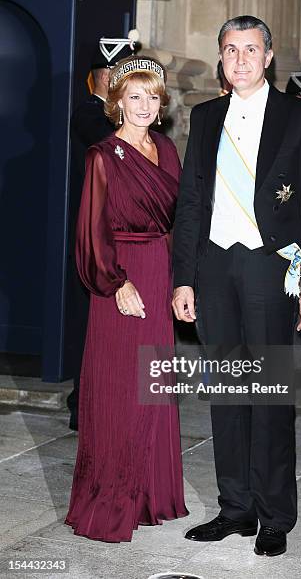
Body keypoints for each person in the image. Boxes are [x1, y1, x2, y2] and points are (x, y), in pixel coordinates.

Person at [172, 16, 301, 557]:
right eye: (230, 50)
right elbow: (191, 203)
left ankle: (273, 515)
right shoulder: (205, 116)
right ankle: (235, 509)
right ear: (220, 58)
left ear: (268, 57)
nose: (240, 59)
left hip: (271, 270)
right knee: (227, 395)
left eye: (251, 49)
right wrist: (183, 278)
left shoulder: (299, 118)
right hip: (215, 269)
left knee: (268, 396)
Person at [65, 55, 188, 542]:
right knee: (120, 387)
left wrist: (183, 281)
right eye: (134, 96)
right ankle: (112, 498)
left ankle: (151, 494)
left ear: (160, 105)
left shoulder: (166, 150)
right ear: (117, 102)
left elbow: (180, 223)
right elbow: (89, 233)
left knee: (153, 384)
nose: (144, 105)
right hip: (119, 277)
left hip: (160, 270)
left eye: (152, 97)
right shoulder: (101, 155)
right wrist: (116, 283)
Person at [66, 37, 136, 431]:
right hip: (93, 234)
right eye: (120, 75)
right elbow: (113, 146)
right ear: (105, 77)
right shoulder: (90, 114)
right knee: (89, 321)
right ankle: (83, 404)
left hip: (119, 234)